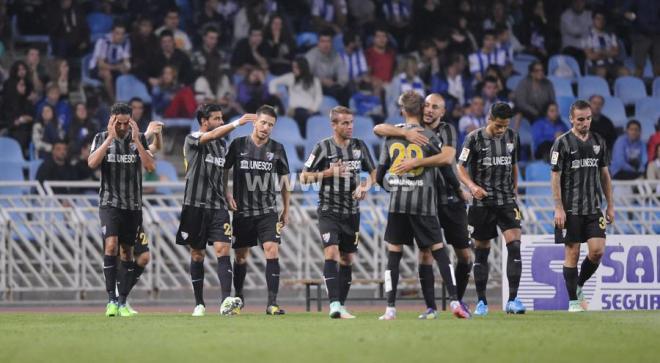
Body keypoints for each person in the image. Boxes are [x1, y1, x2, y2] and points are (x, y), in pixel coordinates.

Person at [373, 93, 473, 319]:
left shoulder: (391, 136)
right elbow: (447, 167)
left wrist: (392, 185)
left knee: (394, 254)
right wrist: (458, 189)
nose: (429, 110)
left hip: (398, 204)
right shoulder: (429, 137)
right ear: (420, 110)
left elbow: (380, 174)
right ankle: (455, 302)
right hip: (424, 204)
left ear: (402, 110)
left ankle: (390, 308)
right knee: (439, 251)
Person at [175, 104, 256, 317]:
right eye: (216, 118)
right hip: (195, 205)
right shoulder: (192, 138)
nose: (220, 122)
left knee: (223, 250)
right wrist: (238, 122)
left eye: (222, 118)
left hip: (218, 206)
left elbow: (223, 172)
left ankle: (225, 301)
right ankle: (199, 304)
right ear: (204, 121)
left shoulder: (222, 145)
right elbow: (208, 137)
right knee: (197, 254)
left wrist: (227, 193)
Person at [300, 106, 376, 319]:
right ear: (333, 125)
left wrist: (365, 185)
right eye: (344, 123)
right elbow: (303, 177)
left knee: (347, 259)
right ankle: (333, 304)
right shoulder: (322, 147)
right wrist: (328, 172)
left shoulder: (360, 147)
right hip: (328, 210)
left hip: (352, 212)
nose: (350, 126)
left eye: (351, 122)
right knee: (331, 252)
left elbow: (375, 171)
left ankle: (340, 306)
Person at [457, 102, 526, 316]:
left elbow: (513, 165)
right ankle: (482, 302)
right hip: (482, 203)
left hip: (506, 201)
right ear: (489, 118)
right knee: (482, 252)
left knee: (514, 246)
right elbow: (460, 167)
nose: (501, 130)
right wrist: (472, 186)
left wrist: (514, 190)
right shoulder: (474, 138)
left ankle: (513, 300)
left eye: (504, 126)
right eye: (498, 125)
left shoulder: (513, 137)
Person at [87, 103, 156, 317]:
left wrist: (136, 140)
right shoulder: (100, 138)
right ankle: (111, 301)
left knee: (127, 252)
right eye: (120, 123)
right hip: (109, 203)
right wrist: (109, 138)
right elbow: (91, 163)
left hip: (133, 205)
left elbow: (150, 167)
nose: (124, 127)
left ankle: (123, 301)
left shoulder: (139, 139)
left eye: (127, 123)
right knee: (111, 246)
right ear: (112, 120)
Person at [223, 105, 290, 315]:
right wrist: (227, 193)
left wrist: (286, 209)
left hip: (267, 210)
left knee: (272, 250)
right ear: (255, 122)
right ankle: (239, 297)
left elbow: (284, 180)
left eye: (271, 125)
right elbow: (224, 170)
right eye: (263, 122)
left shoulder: (277, 148)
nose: (266, 127)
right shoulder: (238, 144)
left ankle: (272, 303)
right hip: (242, 211)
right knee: (241, 257)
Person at [550, 100, 614, 312]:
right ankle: (573, 302)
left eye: (588, 118)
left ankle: (578, 285)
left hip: (594, 208)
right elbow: (555, 176)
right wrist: (558, 207)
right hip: (571, 210)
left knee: (597, 251)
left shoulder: (599, 141)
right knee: (573, 254)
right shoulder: (562, 143)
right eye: (580, 119)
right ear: (571, 119)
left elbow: (604, 175)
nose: (585, 123)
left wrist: (610, 205)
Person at [268, 56, 323, 136]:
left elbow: (319, 97)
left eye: (296, 67)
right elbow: (273, 82)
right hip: (295, 110)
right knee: (301, 115)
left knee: (317, 117)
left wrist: (313, 108)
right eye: (293, 67)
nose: (294, 69)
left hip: (310, 110)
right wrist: (274, 92)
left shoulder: (314, 80)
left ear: (303, 67)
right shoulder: (290, 77)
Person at [89, 23, 131, 101]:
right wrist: (118, 67)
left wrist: (127, 67)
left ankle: (126, 99)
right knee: (107, 74)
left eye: (122, 34)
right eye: (117, 33)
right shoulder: (103, 41)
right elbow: (101, 64)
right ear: (112, 33)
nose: (120, 36)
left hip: (114, 67)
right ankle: (113, 100)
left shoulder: (126, 42)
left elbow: (126, 61)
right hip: (96, 68)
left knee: (127, 73)